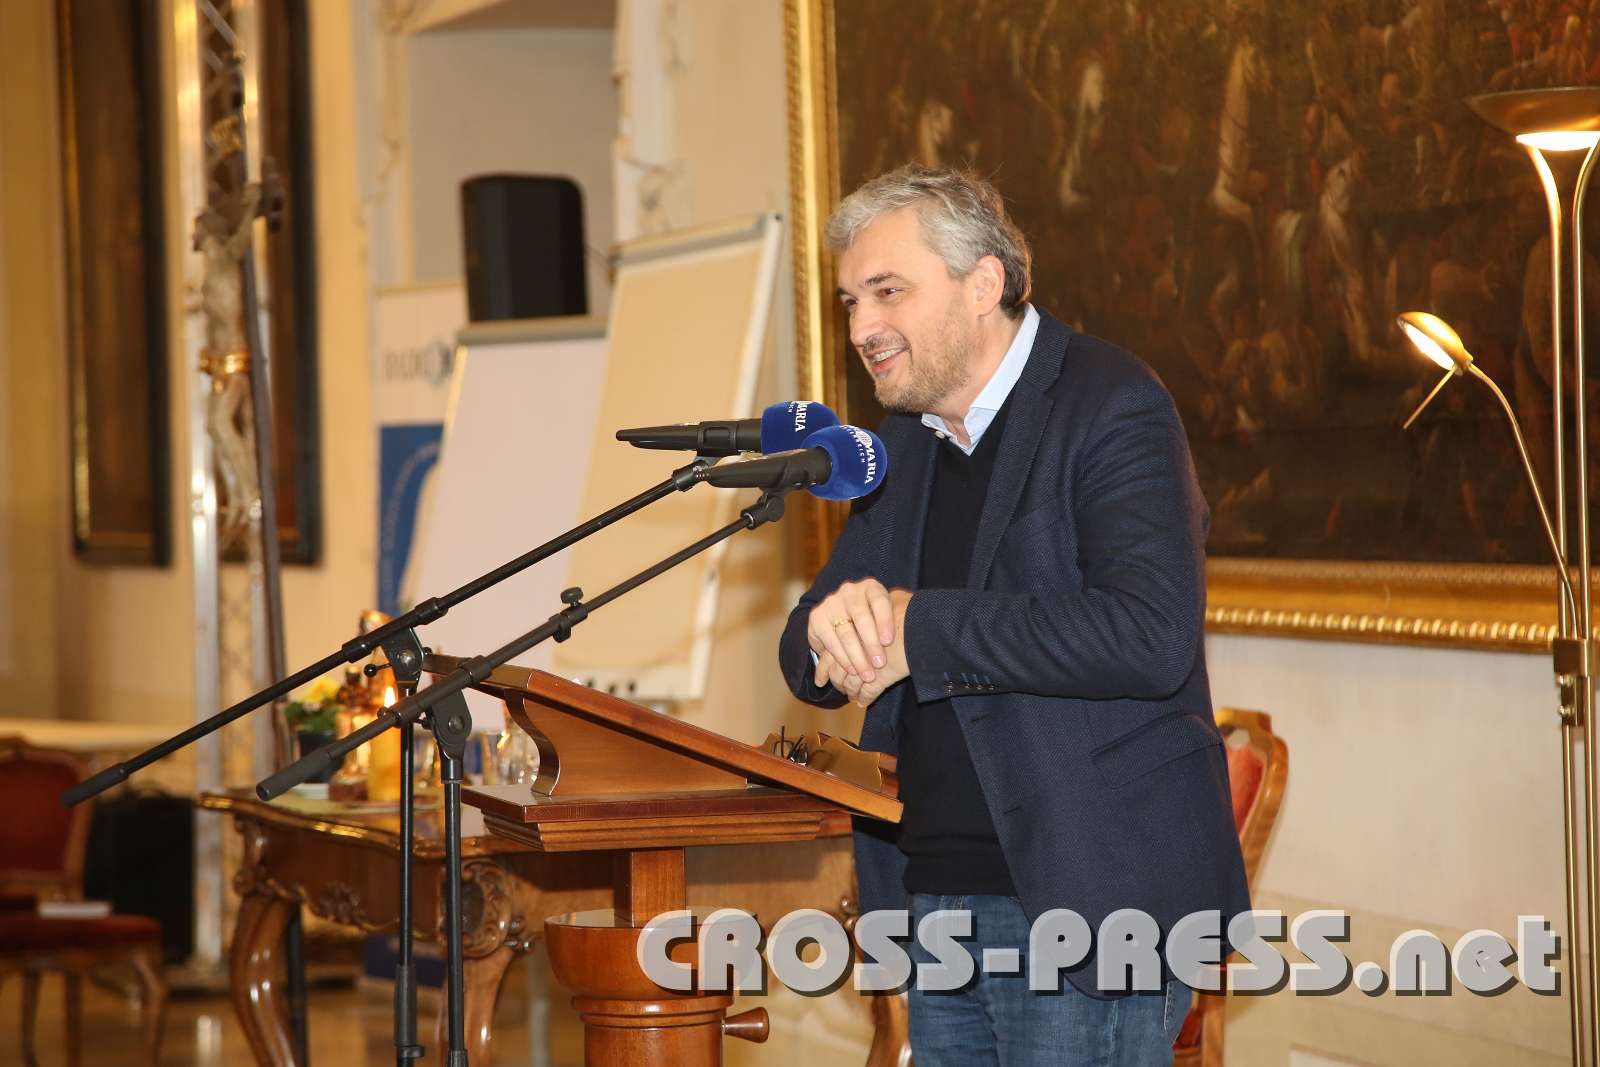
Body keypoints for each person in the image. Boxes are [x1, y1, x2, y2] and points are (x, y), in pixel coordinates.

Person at [778, 165, 1249, 1066]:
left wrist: (918, 629)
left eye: (887, 292)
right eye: (849, 301)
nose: (861, 327)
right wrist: (828, 631)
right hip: (935, 902)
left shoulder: (1111, 402)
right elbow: (808, 646)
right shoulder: (906, 443)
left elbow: (1147, 634)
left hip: (1086, 900)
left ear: (982, 283)